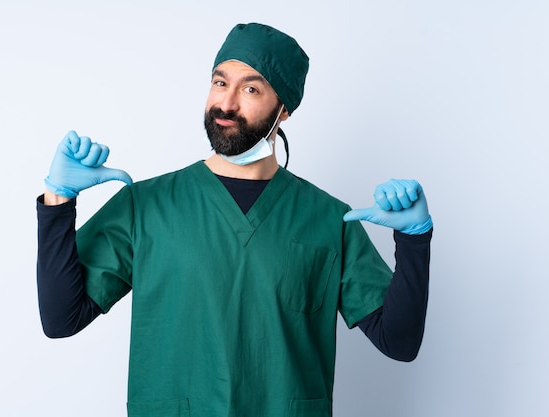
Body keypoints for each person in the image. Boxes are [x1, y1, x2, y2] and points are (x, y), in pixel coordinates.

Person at [37, 22, 433, 417]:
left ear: (285, 110)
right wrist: (58, 201)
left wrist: (414, 241)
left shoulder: (328, 219)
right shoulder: (146, 206)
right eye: (220, 82)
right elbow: (61, 319)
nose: (226, 104)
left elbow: (398, 343)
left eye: (251, 89)